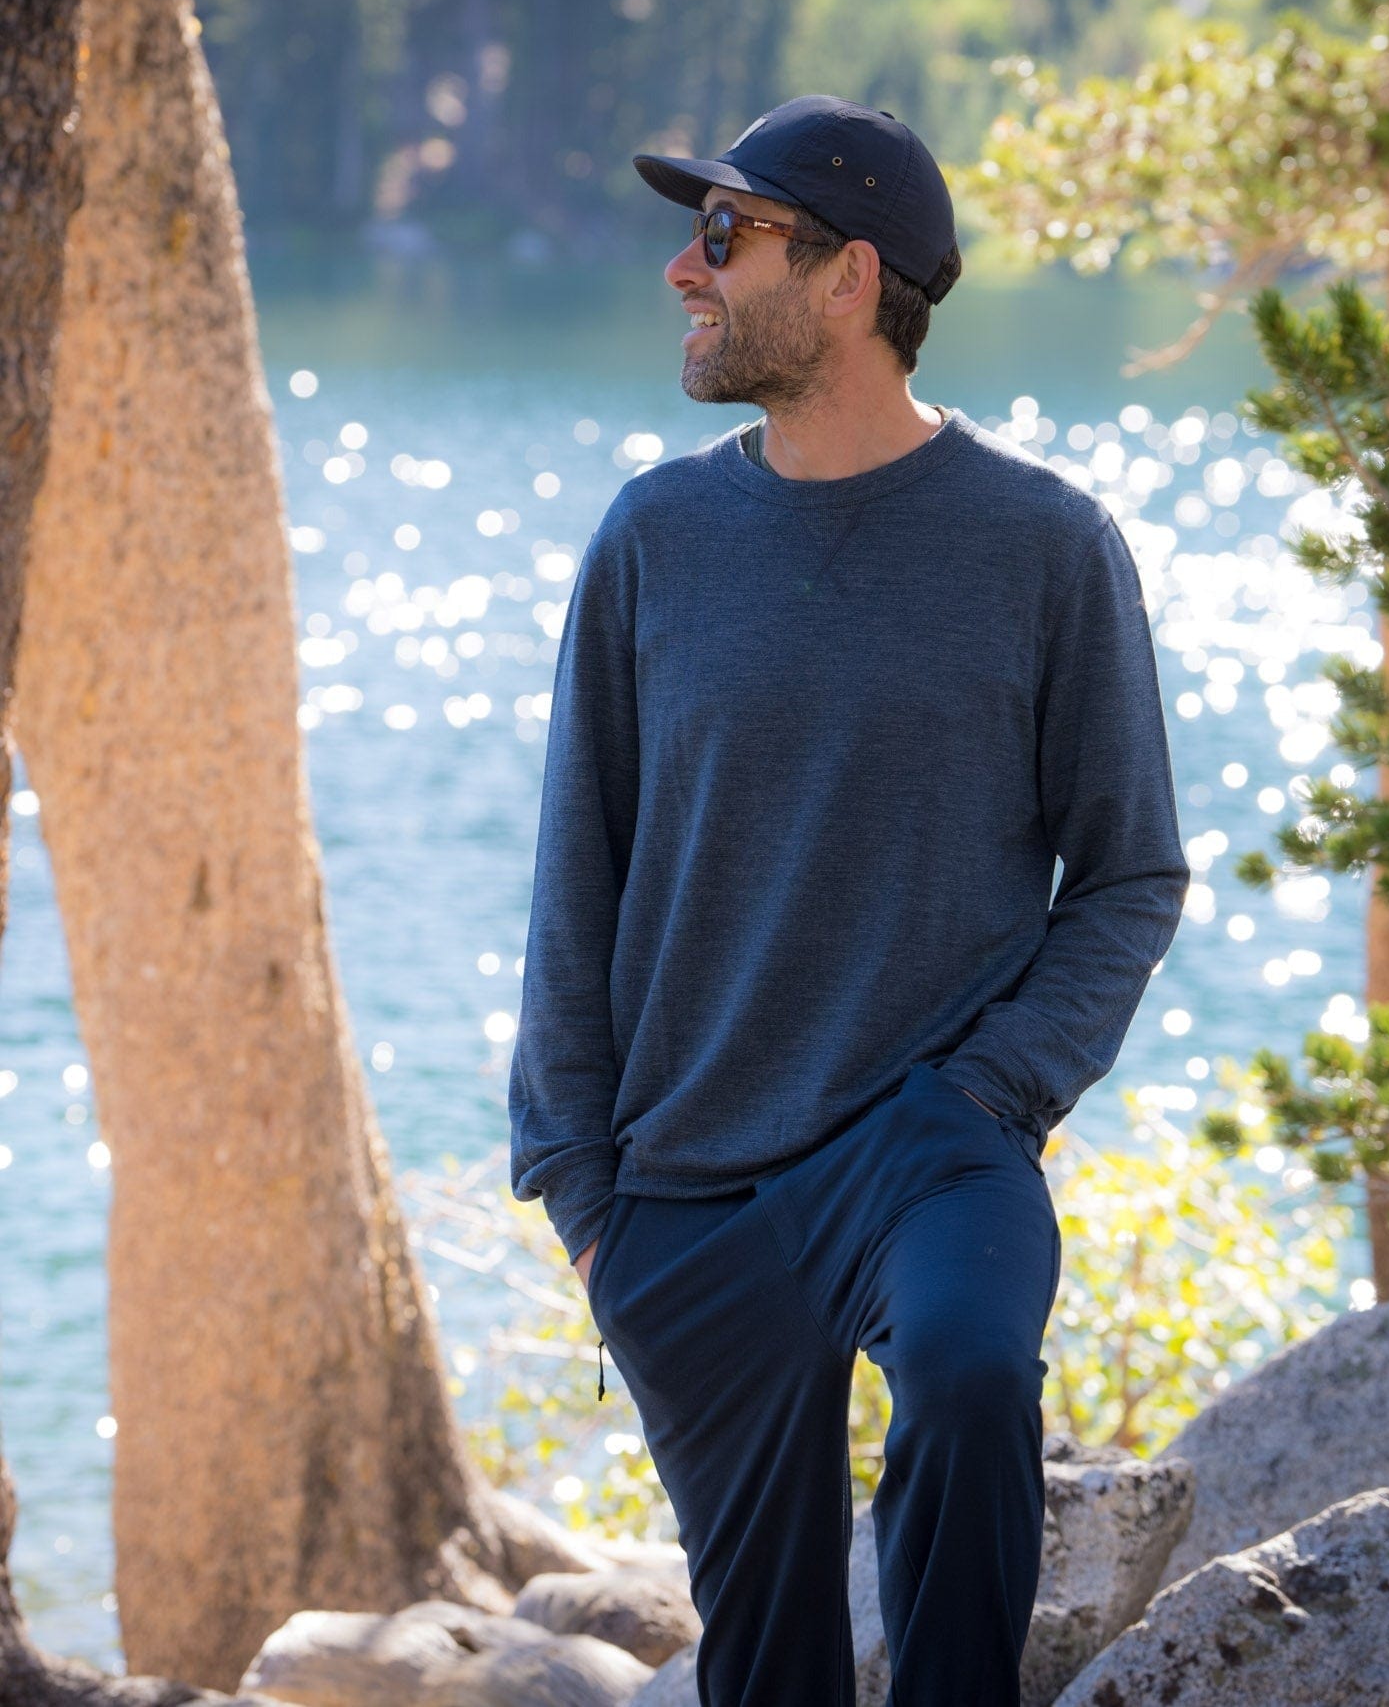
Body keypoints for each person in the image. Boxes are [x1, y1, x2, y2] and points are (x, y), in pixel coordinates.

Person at [507, 92, 1189, 1706]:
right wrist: (585, 1200)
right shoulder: (655, 537)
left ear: (848, 278)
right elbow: (575, 872)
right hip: (685, 1190)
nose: (684, 269)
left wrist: (993, 1088)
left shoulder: (1045, 545)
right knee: (768, 1668)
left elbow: (1127, 873)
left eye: (723, 233)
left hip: (928, 1143)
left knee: (967, 1372)